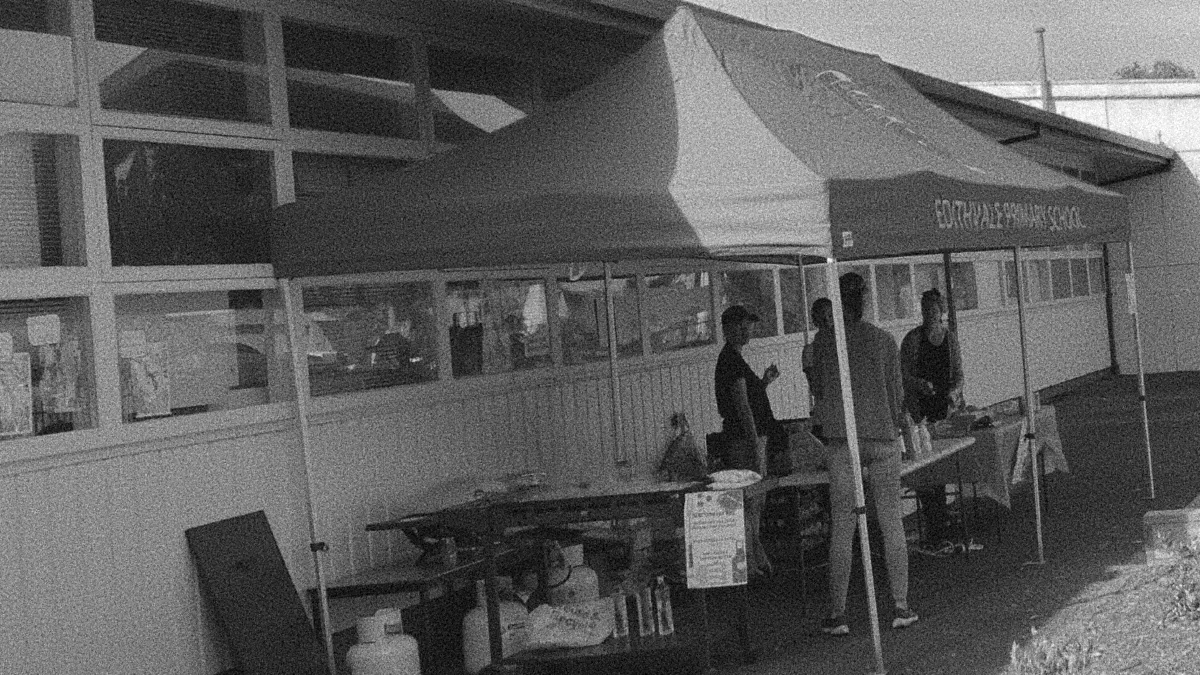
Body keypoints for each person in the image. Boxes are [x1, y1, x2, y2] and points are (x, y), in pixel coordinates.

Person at [810, 273, 918, 635]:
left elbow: (821, 391)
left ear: (838, 302)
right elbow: (898, 397)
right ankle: (900, 606)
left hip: (842, 440)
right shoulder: (885, 341)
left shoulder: (823, 342)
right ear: (865, 300)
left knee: (843, 526)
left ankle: (837, 614)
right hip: (882, 436)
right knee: (891, 522)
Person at [714, 304, 781, 577]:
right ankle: (750, 562)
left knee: (756, 503)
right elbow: (741, 405)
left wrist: (763, 382)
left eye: (748, 325)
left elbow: (748, 397)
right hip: (744, 440)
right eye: (740, 326)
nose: (746, 330)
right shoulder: (730, 360)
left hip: (750, 438)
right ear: (727, 329)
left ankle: (756, 554)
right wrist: (755, 443)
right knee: (750, 502)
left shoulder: (736, 359)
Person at [900, 288, 965, 552]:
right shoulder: (913, 339)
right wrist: (920, 385)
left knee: (945, 464)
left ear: (942, 312)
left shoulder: (950, 339)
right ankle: (934, 519)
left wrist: (954, 392)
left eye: (934, 311)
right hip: (920, 412)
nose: (929, 315)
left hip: (945, 409)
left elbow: (959, 375)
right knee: (927, 468)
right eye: (926, 311)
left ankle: (943, 517)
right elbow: (903, 376)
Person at [801, 297, 833, 441]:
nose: (827, 321)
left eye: (830, 316)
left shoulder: (845, 346)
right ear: (816, 321)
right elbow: (816, 387)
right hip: (825, 416)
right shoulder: (810, 351)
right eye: (822, 317)